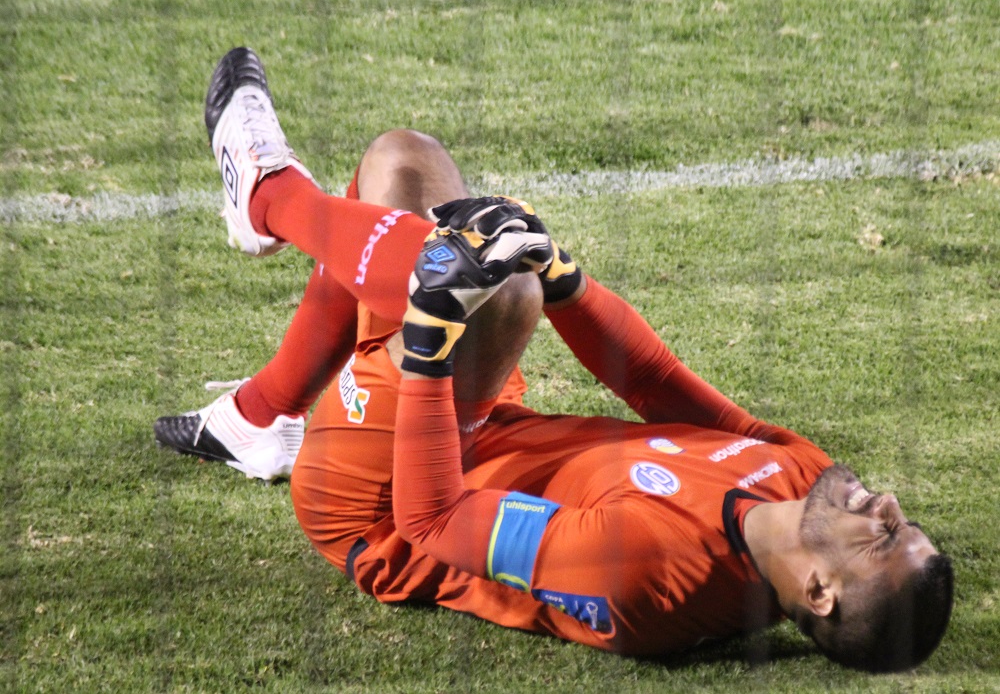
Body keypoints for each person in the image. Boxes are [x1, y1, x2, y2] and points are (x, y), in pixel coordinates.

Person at [158, 48, 953, 671]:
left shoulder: (650, 573)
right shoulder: (802, 474)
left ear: (818, 590)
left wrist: (433, 338)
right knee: (403, 163)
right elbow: (656, 383)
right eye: (904, 520)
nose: (886, 504)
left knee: (497, 292)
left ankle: (265, 193)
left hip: (378, 504)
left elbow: (432, 523)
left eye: (884, 538)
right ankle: (259, 415)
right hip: (483, 415)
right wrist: (565, 277)